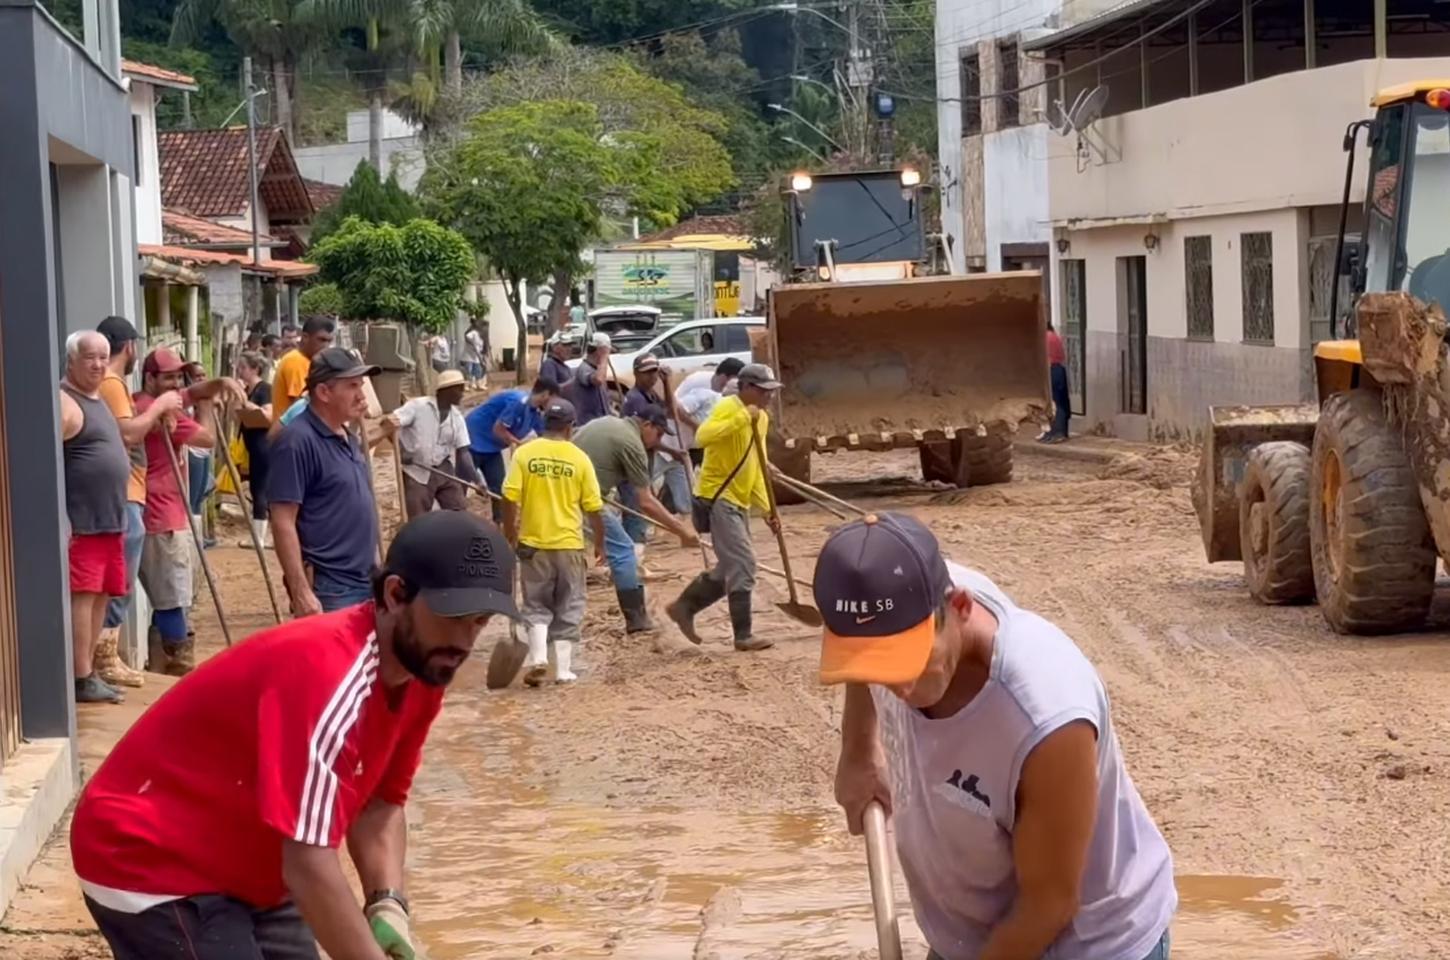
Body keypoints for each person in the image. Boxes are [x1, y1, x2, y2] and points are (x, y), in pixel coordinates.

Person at [70, 511, 518, 960]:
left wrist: (387, 902)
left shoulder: (423, 673)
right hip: (147, 853)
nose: (465, 640)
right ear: (396, 594)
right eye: (452, 616)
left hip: (254, 859)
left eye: (479, 622)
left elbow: (380, 804)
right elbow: (308, 862)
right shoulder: (329, 676)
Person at [816, 512, 1175, 960]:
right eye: (877, 668)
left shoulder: (1046, 718)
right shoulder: (892, 600)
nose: (900, 690)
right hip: (969, 936)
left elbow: (1049, 905)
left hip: (1085, 945)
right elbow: (862, 653)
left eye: (909, 663)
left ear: (960, 608)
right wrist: (858, 750)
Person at [665, 363, 783, 653]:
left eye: (771, 391)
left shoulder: (762, 418)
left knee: (731, 565)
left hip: (739, 500)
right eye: (763, 391)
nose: (769, 397)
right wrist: (743, 417)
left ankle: (684, 606)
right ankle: (743, 635)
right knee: (743, 563)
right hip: (718, 498)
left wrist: (768, 509)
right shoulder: (729, 408)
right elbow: (703, 436)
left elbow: (754, 465)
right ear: (746, 389)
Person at [95, 316, 183, 690]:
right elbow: (129, 433)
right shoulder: (113, 384)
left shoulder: (109, 385)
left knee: (115, 583)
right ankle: (105, 659)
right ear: (129, 347)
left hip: (128, 495)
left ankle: (105, 658)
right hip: (128, 495)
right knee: (118, 584)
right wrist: (160, 406)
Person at [135, 347, 235, 676]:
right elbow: (206, 440)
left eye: (180, 376)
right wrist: (206, 405)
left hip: (164, 514)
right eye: (169, 377)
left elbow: (190, 392)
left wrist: (214, 383)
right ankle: (178, 671)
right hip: (162, 518)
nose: (176, 383)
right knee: (172, 600)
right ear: (150, 378)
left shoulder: (156, 402)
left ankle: (161, 669)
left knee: (169, 597)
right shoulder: (159, 411)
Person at [269, 348, 382, 616]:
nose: (361, 395)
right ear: (323, 393)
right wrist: (300, 592)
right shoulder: (297, 441)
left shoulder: (346, 435)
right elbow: (282, 520)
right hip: (331, 588)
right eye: (352, 386)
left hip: (364, 579)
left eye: (361, 385)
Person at [502, 398, 605, 686]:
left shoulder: (525, 454)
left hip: (533, 544)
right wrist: (600, 543)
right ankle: (562, 670)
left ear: (545, 423)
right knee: (570, 605)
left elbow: (509, 497)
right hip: (569, 544)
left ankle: (538, 658)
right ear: (571, 427)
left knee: (535, 603)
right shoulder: (579, 458)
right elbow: (594, 508)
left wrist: (510, 531)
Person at [574, 408, 699, 634]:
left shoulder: (607, 422)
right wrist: (682, 531)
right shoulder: (632, 443)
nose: (657, 442)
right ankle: (636, 620)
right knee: (623, 550)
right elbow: (646, 502)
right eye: (659, 435)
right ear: (647, 425)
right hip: (583, 500)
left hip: (566, 493)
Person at [60, 332, 135, 704]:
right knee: (84, 596)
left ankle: (89, 671)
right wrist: (60, 517)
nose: (98, 364)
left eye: (103, 357)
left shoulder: (96, 398)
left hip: (111, 520)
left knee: (104, 593)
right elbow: (46, 464)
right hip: (85, 523)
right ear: (71, 361)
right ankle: (79, 675)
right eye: (89, 357)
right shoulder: (64, 401)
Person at [387, 369, 479, 519]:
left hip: (443, 468)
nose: (463, 393)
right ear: (445, 390)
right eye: (459, 389)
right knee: (418, 519)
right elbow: (388, 424)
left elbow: (464, 452)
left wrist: (477, 480)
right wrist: (402, 451)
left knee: (459, 512)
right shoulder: (417, 407)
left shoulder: (457, 418)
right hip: (416, 470)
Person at [464, 378, 559, 523]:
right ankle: (455, 520)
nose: (554, 405)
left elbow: (545, 436)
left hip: (492, 448)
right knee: (461, 485)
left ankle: (500, 525)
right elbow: (499, 429)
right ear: (546, 395)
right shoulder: (518, 402)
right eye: (554, 399)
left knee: (500, 489)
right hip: (474, 440)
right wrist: (519, 444)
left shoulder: (535, 412)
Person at [675, 357, 744, 468]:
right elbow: (676, 408)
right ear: (724, 377)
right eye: (735, 380)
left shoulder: (729, 391)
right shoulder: (696, 382)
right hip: (683, 440)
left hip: (705, 442)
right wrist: (697, 426)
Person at [237, 352, 274, 548]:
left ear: (254, 369)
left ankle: (259, 538)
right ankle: (259, 535)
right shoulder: (250, 390)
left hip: (263, 444)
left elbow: (269, 415)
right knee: (256, 487)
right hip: (254, 444)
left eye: (243, 367)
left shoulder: (264, 389)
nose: (240, 371)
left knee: (260, 488)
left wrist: (245, 404)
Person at [272, 317, 335, 425]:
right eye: (321, 340)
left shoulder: (306, 361)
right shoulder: (296, 361)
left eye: (329, 341)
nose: (326, 346)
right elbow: (302, 406)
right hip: (291, 435)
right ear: (305, 337)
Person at [567, 332, 612, 426]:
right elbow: (598, 380)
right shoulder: (584, 368)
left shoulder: (597, 369)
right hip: (587, 425)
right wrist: (604, 357)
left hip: (600, 423)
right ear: (599, 350)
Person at [1041, 321, 1070, 444]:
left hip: (1051, 370)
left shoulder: (1045, 338)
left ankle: (1057, 432)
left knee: (1055, 404)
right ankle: (1056, 432)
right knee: (1060, 402)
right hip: (1058, 370)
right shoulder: (1053, 336)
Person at [462, 320, 487, 387]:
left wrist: (482, 358)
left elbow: (481, 348)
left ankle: (478, 384)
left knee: (477, 370)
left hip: (477, 357)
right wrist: (472, 344)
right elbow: (466, 336)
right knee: (469, 371)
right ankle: (466, 386)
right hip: (469, 356)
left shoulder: (482, 337)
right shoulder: (474, 333)